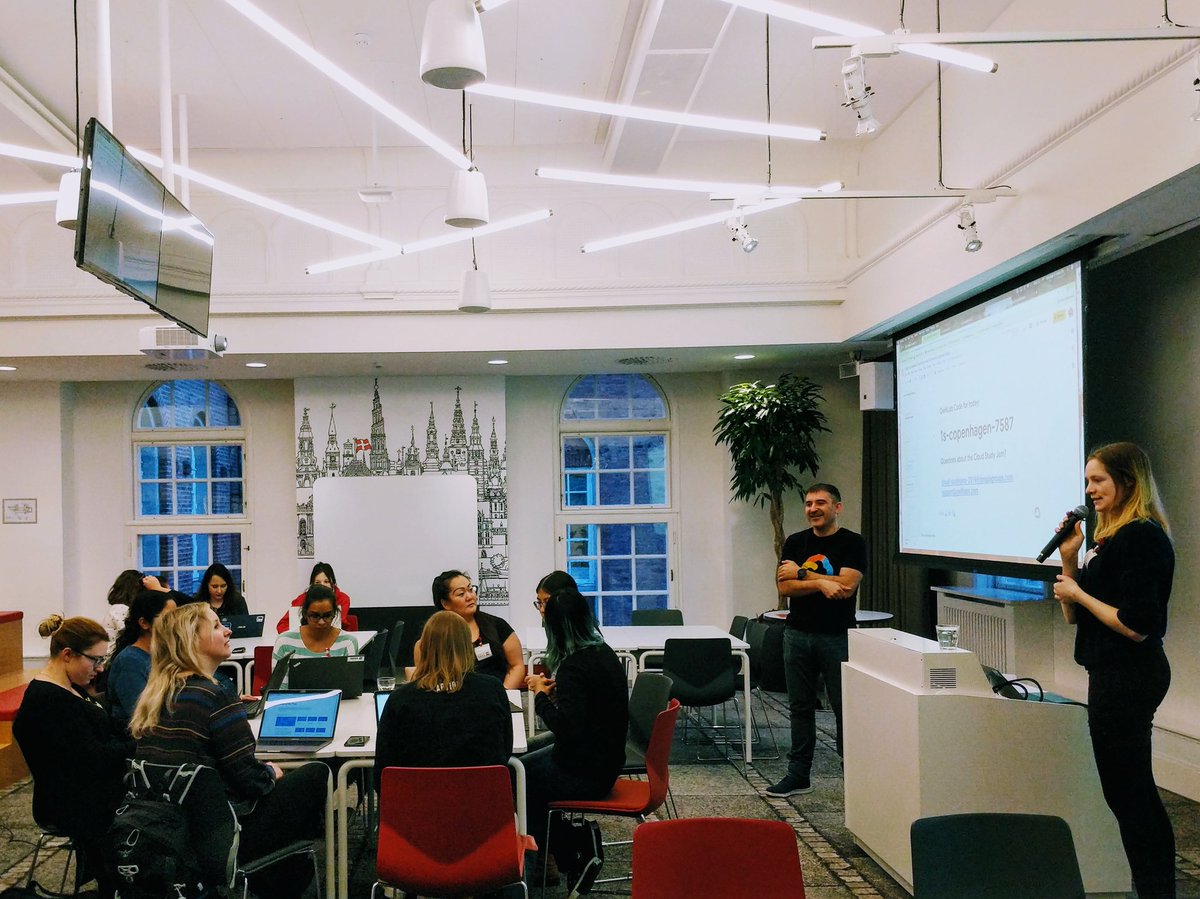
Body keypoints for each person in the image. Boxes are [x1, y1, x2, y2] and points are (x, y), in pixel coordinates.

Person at [131, 603, 326, 899]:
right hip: (220, 829)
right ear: (192, 640)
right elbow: (250, 781)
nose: (228, 630)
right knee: (316, 773)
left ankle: (282, 871)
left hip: (167, 825)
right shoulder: (215, 695)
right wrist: (270, 773)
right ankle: (284, 874)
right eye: (217, 626)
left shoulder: (155, 696)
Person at [1053, 442, 1176, 899]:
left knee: (1132, 794)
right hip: (1107, 672)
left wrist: (1081, 594)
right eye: (1087, 481)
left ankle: (1157, 890)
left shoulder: (1142, 537)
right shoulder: (1110, 540)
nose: (1090, 490)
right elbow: (1075, 617)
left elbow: (1138, 626)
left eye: (1099, 480)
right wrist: (1070, 557)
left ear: (1128, 482)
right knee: (1125, 793)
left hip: (1131, 674)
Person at [13, 615, 135, 899]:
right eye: (95, 660)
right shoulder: (49, 700)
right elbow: (95, 757)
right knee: (157, 810)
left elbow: (102, 732)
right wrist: (137, 745)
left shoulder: (71, 689)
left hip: (88, 791)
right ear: (67, 655)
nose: (101, 668)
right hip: (72, 804)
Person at [767, 482, 867, 798]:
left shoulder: (852, 543)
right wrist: (823, 583)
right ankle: (798, 775)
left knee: (843, 708)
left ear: (836, 507)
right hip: (797, 634)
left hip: (837, 636)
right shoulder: (796, 542)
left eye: (820, 503)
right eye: (809, 503)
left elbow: (847, 587)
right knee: (799, 707)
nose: (813, 509)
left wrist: (807, 576)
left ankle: (853, 774)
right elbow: (783, 587)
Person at [524, 588, 628, 859]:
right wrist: (559, 694)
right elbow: (590, 708)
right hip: (606, 760)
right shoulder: (602, 652)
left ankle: (571, 845)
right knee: (521, 764)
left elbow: (566, 729)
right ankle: (559, 843)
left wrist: (539, 696)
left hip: (586, 772)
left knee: (516, 778)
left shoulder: (572, 666)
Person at [374, 611, 512, 790]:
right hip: (482, 806)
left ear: (424, 647)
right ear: (467, 647)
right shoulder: (492, 689)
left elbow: (383, 772)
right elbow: (505, 750)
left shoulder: (400, 699)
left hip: (415, 809)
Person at [416, 570, 526, 690]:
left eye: (470, 589)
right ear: (446, 604)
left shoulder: (497, 625)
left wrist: (502, 694)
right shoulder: (431, 639)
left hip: (493, 697)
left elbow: (516, 665)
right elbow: (423, 678)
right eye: (461, 594)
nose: (470, 596)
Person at [107, 588, 178, 734]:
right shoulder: (130, 662)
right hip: (140, 742)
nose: (175, 623)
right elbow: (143, 718)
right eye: (168, 618)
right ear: (144, 623)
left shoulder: (162, 656)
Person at [272, 583, 359, 665]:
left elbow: (351, 680)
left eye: (327, 616)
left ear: (335, 614)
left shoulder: (348, 642)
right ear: (305, 614)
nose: (321, 622)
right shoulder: (284, 642)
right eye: (315, 616)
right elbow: (280, 681)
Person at [275, 561, 352, 633]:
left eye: (326, 581)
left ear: (333, 583)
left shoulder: (342, 598)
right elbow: (282, 625)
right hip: (305, 640)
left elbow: (339, 625)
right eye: (317, 582)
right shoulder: (302, 599)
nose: (322, 585)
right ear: (312, 584)